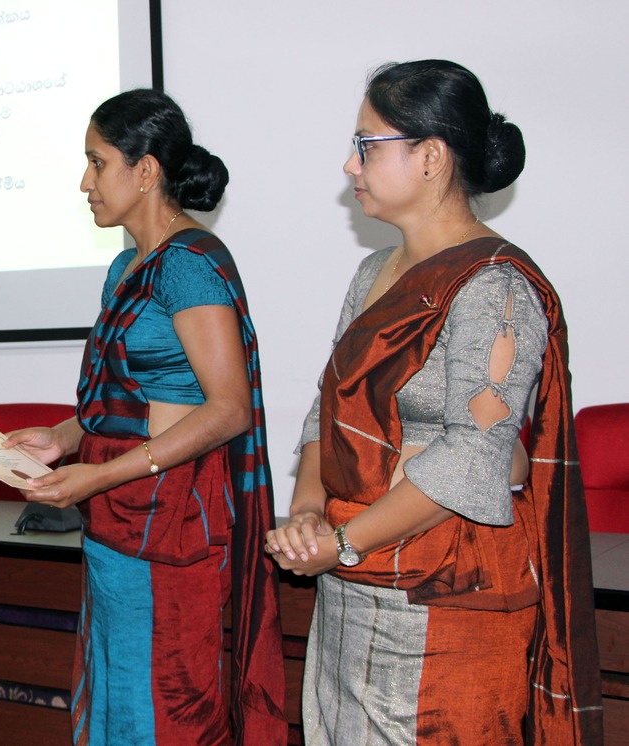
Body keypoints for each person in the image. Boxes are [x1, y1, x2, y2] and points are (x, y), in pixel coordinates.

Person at [266, 59, 603, 743]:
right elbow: (328, 410)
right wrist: (306, 512)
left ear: (430, 157)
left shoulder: (495, 288)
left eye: (366, 145)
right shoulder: (371, 274)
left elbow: (470, 459)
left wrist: (340, 542)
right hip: (350, 589)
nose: (349, 166)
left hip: (445, 605)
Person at [5, 89, 285, 745]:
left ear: (146, 170)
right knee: (120, 695)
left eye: (97, 163)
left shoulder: (188, 265)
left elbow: (226, 410)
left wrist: (98, 478)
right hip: (116, 520)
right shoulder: (123, 266)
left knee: (170, 706)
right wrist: (64, 437)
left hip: (175, 524)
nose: (84, 182)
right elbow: (119, 404)